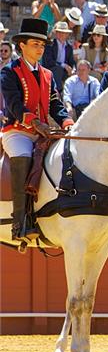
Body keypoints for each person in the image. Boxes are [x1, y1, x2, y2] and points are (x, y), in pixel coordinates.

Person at [1, 18, 73, 241]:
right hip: (18, 132)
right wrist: (36, 123)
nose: (40, 49)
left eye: (42, 45)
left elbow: (55, 105)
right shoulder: (9, 72)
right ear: (21, 45)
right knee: (22, 157)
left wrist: (68, 123)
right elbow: (14, 104)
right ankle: (20, 223)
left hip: (43, 132)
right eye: (35, 44)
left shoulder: (48, 74)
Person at [42, 20, 75, 88]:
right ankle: (58, 92)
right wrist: (63, 65)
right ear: (56, 33)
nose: (61, 34)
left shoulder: (69, 47)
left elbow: (71, 61)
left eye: (64, 33)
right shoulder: (50, 45)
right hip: (51, 70)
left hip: (64, 72)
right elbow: (49, 61)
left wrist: (73, 69)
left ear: (67, 34)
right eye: (59, 32)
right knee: (58, 70)